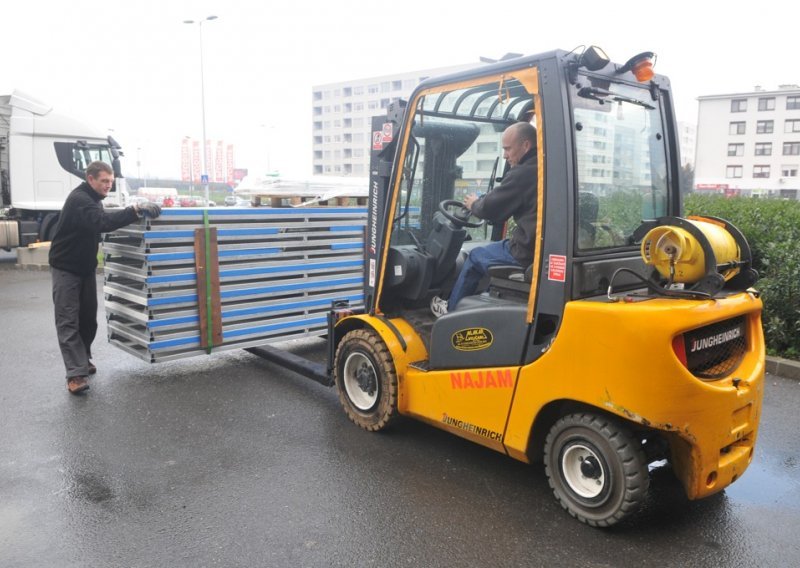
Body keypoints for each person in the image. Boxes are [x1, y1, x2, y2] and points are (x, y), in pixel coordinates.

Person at [49, 161, 161, 394]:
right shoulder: (80, 200)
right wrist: (135, 210)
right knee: (67, 320)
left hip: (85, 268)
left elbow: (102, 217)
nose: (108, 186)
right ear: (91, 179)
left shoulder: (93, 200)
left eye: (110, 182)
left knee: (88, 320)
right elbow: (102, 223)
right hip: (65, 268)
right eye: (104, 181)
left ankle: (84, 359)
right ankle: (75, 375)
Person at [431, 121, 538, 316]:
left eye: (507, 149)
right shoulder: (543, 167)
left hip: (525, 252)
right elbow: (504, 203)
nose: (505, 155)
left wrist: (474, 204)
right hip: (535, 246)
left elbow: (490, 208)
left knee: (475, 256)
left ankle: (451, 311)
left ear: (525, 146)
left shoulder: (523, 173)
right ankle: (482, 303)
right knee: (496, 248)